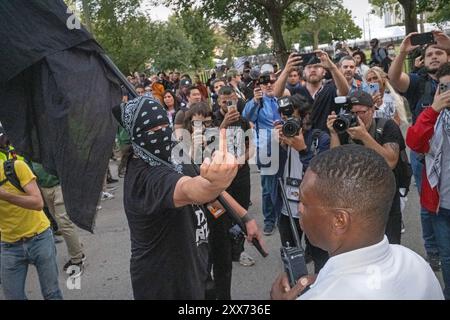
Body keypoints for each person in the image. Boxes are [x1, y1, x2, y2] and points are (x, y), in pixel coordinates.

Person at [119, 97, 263, 299]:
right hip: (165, 282)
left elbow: (204, 184)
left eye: (164, 126)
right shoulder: (145, 177)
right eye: (153, 130)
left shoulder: (171, 154)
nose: (162, 133)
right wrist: (216, 182)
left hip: (195, 266)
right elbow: (192, 189)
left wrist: (244, 217)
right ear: (136, 136)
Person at [270, 145, 444, 300]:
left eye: (304, 202)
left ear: (339, 220)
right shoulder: (415, 263)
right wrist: (324, 279)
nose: (299, 209)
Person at [388, 30, 450, 270]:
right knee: (428, 204)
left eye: (439, 52)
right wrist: (403, 50)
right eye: (429, 54)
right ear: (422, 61)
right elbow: (394, 79)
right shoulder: (418, 82)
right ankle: (434, 250)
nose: (434, 56)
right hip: (424, 153)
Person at [327, 91, 405, 244]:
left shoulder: (387, 126)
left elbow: (390, 162)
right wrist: (334, 134)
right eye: (353, 112)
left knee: (389, 245)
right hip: (354, 200)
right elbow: (334, 166)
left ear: (372, 110)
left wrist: (364, 136)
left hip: (384, 199)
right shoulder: (344, 128)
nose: (357, 117)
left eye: (361, 112)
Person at [406, 62, 450, 300]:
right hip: (441, 205)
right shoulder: (431, 116)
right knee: (447, 258)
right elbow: (414, 143)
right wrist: (433, 110)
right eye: (444, 87)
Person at [275, 94, 330, 273]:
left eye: (292, 117)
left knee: (320, 259)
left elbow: (322, 175)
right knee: (292, 260)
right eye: (285, 119)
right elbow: (264, 170)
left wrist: (303, 150)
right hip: (286, 210)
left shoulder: (319, 138)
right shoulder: (280, 138)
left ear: (305, 115)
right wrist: (275, 145)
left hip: (315, 209)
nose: (288, 122)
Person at [0, 155, 63, 300]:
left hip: (40, 238)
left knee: (51, 293)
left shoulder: (16, 167)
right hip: (9, 245)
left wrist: (5, 195)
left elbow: (37, 203)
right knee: (13, 296)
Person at [243, 72, 282, 235]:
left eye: (272, 81)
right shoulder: (258, 102)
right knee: (267, 187)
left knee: (284, 184)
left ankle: (283, 217)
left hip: (284, 147)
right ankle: (269, 220)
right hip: (266, 150)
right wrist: (255, 101)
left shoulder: (281, 99)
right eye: (265, 83)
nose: (269, 84)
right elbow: (246, 116)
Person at [32, 163, 86, 277]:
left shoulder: (55, 144)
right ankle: (78, 249)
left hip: (60, 186)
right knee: (61, 223)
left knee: (64, 223)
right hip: (44, 188)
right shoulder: (30, 148)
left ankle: (77, 260)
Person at [274, 51, 350, 132]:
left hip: (330, 139)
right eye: (309, 67)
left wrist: (332, 67)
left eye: (317, 67)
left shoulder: (331, 90)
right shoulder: (295, 92)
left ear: (324, 71)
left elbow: (344, 91)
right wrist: (286, 70)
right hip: (302, 139)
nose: (313, 70)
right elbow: (277, 94)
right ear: (303, 72)